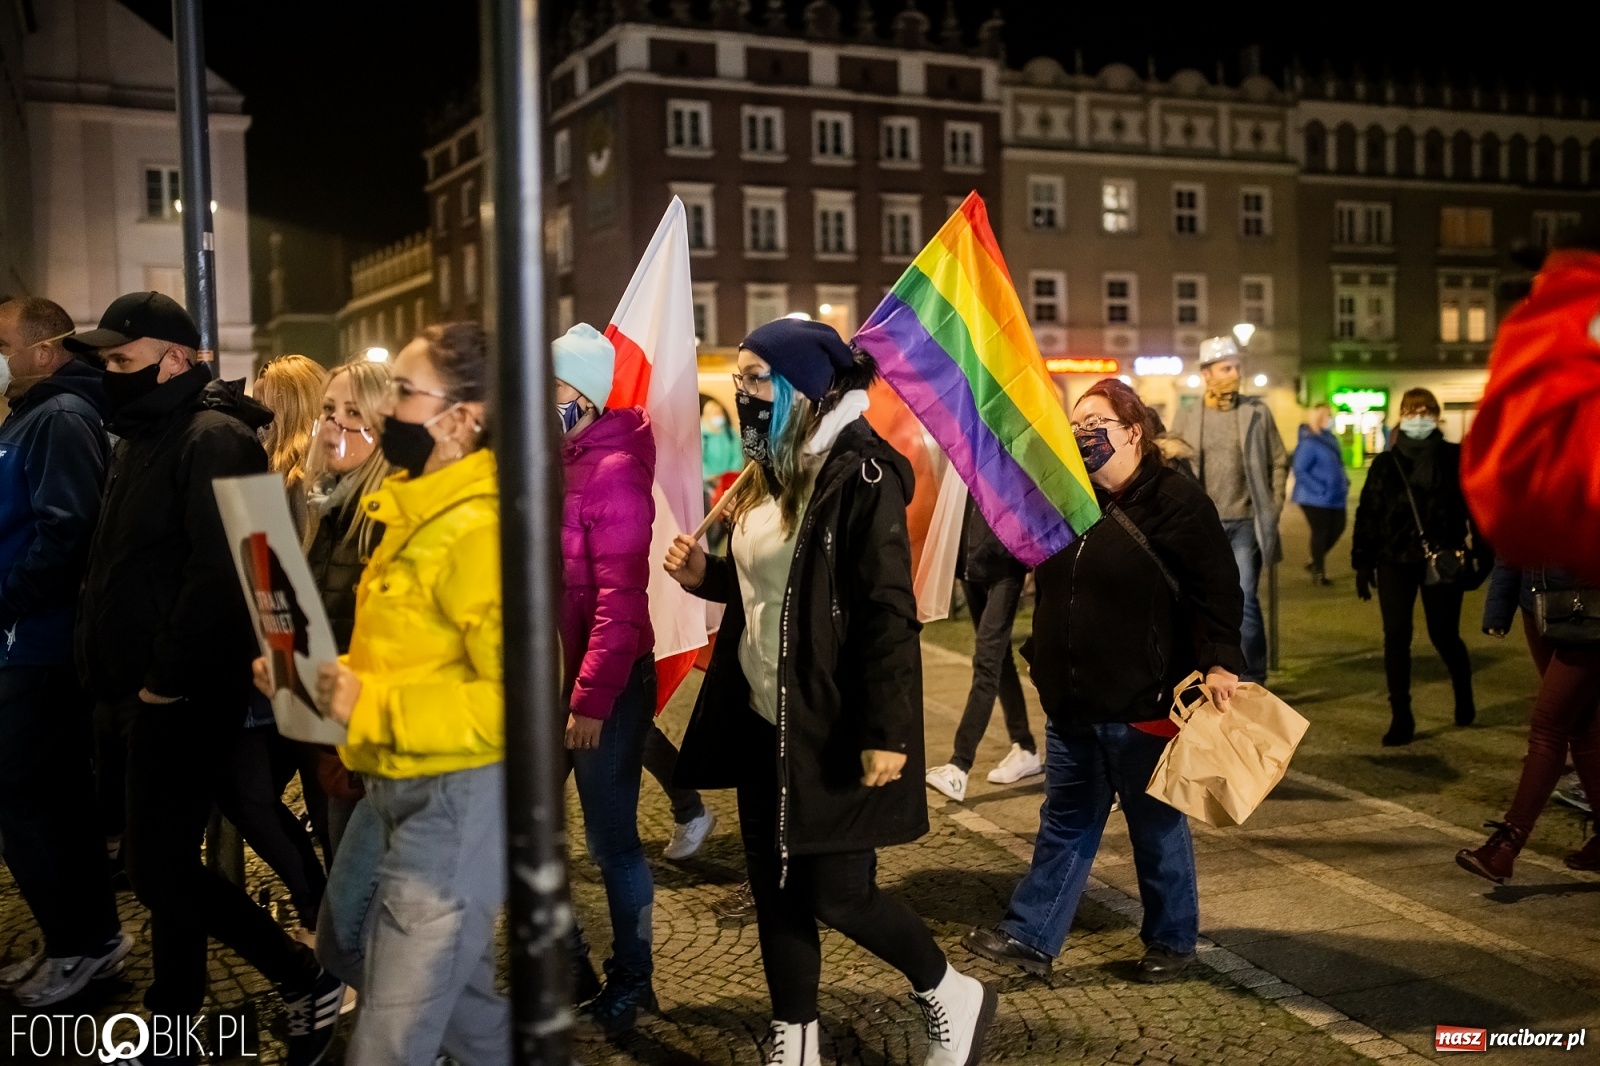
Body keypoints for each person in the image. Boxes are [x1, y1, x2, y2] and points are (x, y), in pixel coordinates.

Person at [665, 319, 996, 1066]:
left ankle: (950, 992)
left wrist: (888, 731)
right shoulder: (769, 468)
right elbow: (774, 592)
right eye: (739, 378)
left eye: (756, 378)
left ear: (804, 387)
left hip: (832, 723)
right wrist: (707, 577)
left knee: (838, 893)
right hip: (762, 717)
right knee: (774, 885)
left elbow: (884, 610)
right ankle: (797, 1038)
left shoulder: (862, 474)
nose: (742, 392)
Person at [71, 291, 341, 1066]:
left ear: (176, 359)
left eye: (123, 359)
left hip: (185, 694)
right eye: (107, 361)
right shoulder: (145, 434)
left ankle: (303, 975)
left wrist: (163, 679)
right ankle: (174, 1019)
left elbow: (228, 575)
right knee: (166, 864)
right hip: (141, 692)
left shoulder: (216, 438)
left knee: (158, 868)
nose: (111, 373)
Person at [276, 321, 507, 1064]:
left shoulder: (478, 531)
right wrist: (322, 681)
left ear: (461, 420)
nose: (383, 411)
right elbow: (408, 649)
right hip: (390, 781)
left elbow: (512, 702)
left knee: (389, 1039)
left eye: (404, 393)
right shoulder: (412, 509)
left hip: (451, 799)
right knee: (351, 946)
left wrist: (366, 705)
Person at [964, 378, 1243, 986]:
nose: (1082, 434)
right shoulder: (1067, 499)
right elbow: (1028, 574)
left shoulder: (1177, 501)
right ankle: (1031, 935)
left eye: (1096, 424)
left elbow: (1219, 590)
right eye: (1076, 424)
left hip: (1145, 702)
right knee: (1065, 822)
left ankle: (1172, 941)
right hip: (1073, 701)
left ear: (1133, 431)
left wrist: (1222, 662)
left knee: (1155, 827)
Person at [0, 296, 131, 1007]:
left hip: (38, 645)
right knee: (50, 799)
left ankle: (77, 945)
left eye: (3, 344)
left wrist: (8, 597)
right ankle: (87, 940)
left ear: (45, 350)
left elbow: (67, 530)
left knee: (27, 799)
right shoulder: (36, 414)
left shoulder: (59, 417)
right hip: (27, 639)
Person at [549, 323, 661, 1038]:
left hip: (607, 688)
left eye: (553, 386)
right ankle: (568, 964)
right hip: (555, 679)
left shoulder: (615, 470)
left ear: (584, 397)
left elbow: (621, 604)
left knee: (611, 842)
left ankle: (633, 979)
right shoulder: (556, 462)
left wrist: (589, 700)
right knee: (525, 828)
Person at [219, 353, 330, 938]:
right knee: (286, 791)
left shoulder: (288, 477)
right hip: (294, 655)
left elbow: (286, 574)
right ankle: (324, 911)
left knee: (262, 792)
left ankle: (324, 915)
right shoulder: (301, 471)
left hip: (288, 657)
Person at [1350, 388, 1492, 746]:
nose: (1419, 417)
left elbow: (1475, 506)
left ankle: (1463, 691)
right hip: (1393, 560)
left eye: (1426, 411)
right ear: (1401, 416)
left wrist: (1482, 553)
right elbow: (1369, 513)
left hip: (1442, 558)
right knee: (1396, 636)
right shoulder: (1386, 463)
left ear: (1436, 415)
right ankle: (1402, 715)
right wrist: (1363, 562)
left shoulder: (1454, 458)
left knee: (1444, 634)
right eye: (1412, 411)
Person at [1456, 561, 1600, 882]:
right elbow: (1514, 543)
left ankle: (1507, 844)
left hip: (1588, 606)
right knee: (1580, 723)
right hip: (1537, 603)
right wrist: (1498, 607)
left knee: (1549, 726)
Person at [1169, 336, 1286, 683]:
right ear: (1206, 374)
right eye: (1225, 368)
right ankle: (1214, 668)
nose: (1234, 374)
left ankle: (1254, 677)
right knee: (1204, 600)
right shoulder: (1188, 415)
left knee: (1244, 599)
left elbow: (1279, 460)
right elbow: (1174, 465)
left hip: (1246, 522)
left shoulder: (1257, 412)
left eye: (1236, 367)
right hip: (1204, 526)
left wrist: (1273, 507)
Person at [925, 498, 1039, 802]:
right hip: (969, 563)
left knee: (986, 660)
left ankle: (959, 766)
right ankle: (1024, 746)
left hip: (1004, 564)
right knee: (998, 658)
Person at [1292, 402, 1350, 586]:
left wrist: (1345, 481)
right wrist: (1319, 489)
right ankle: (1319, 571)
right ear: (1316, 417)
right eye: (1326, 415)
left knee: (1339, 526)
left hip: (1335, 495)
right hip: (1314, 497)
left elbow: (1337, 464)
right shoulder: (1308, 442)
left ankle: (1315, 560)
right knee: (1321, 531)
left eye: (1330, 415)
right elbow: (1300, 470)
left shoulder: (1330, 438)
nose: (1330, 418)